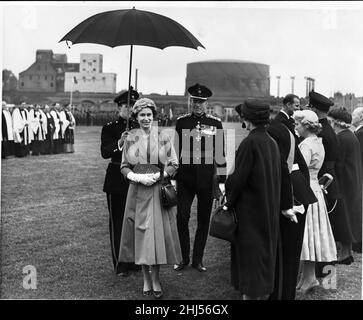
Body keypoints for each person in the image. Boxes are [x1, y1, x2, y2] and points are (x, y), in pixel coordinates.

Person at [118, 98, 182, 299]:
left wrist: (159, 175)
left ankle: (156, 279)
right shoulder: (130, 138)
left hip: (157, 191)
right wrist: (135, 176)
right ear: (136, 117)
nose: (145, 118)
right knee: (142, 236)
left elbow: (174, 163)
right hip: (137, 192)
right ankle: (146, 279)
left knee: (156, 236)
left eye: (149, 115)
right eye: (141, 115)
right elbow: (124, 166)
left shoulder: (163, 136)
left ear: (153, 117)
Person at [224, 100, 281, 300]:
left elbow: (237, 179)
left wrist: (227, 201)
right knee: (263, 263)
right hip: (268, 211)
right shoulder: (271, 142)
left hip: (250, 215)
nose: (242, 121)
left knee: (249, 266)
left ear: (249, 119)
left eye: (244, 117)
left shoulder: (249, 143)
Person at [267, 94, 317, 300]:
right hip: (300, 190)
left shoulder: (276, 130)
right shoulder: (285, 131)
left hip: (292, 194)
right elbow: (302, 169)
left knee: (285, 253)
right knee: (291, 253)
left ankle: (281, 294)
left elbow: (283, 168)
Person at [173, 83, 226, 272]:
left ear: (206, 103)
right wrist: (172, 175)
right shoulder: (182, 122)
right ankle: (183, 258)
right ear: (190, 101)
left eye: (201, 102)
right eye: (195, 101)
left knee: (203, 221)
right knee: (182, 217)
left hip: (206, 180)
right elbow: (175, 152)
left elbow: (220, 154)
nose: (197, 105)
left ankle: (198, 259)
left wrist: (221, 181)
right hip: (185, 179)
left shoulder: (215, 123)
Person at [293, 110, 337, 294]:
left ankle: (309, 277)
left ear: (305, 126)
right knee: (312, 235)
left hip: (307, 190)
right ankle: (308, 277)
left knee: (307, 235)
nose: (295, 127)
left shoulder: (305, 145)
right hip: (316, 191)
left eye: (297, 124)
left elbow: (300, 172)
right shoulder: (318, 142)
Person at [101, 88, 141, 277]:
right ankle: (120, 263)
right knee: (118, 223)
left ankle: (133, 261)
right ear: (119, 107)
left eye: (133, 105)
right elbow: (105, 152)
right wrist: (119, 142)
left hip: (136, 178)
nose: (130, 109)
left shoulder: (141, 127)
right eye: (126, 105)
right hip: (116, 180)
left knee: (135, 222)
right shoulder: (110, 127)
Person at [308, 91, 342, 278]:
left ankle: (327, 276)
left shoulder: (322, 132)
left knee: (324, 233)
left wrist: (322, 188)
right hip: (328, 185)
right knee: (325, 233)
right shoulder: (328, 129)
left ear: (313, 109)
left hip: (323, 186)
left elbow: (325, 165)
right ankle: (324, 275)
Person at [328, 107, 362, 260]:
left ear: (337, 122)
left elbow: (339, 165)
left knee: (344, 217)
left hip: (344, 184)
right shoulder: (351, 136)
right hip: (352, 182)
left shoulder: (341, 138)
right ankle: (346, 252)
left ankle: (344, 253)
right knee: (349, 215)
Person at [352, 107, 363, 253]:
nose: (351, 117)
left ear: (360, 117)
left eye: (354, 115)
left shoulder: (360, 134)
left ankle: (358, 242)